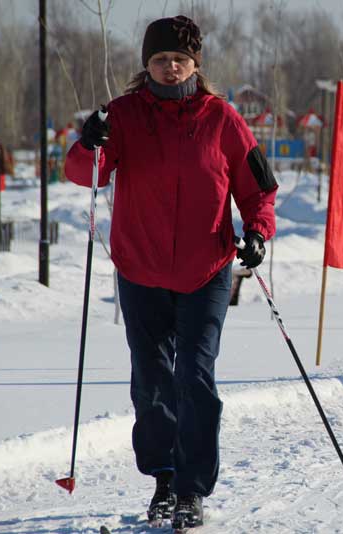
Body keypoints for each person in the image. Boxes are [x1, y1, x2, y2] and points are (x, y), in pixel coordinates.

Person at [64, 15, 277, 530]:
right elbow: (82, 174)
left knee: (195, 377)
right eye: (160, 58)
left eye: (179, 58)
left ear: (195, 64)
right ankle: (163, 480)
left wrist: (257, 232)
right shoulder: (122, 114)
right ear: (147, 64)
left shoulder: (223, 119)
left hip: (207, 270)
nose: (169, 65)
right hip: (140, 270)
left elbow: (258, 189)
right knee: (153, 381)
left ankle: (192, 489)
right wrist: (88, 141)